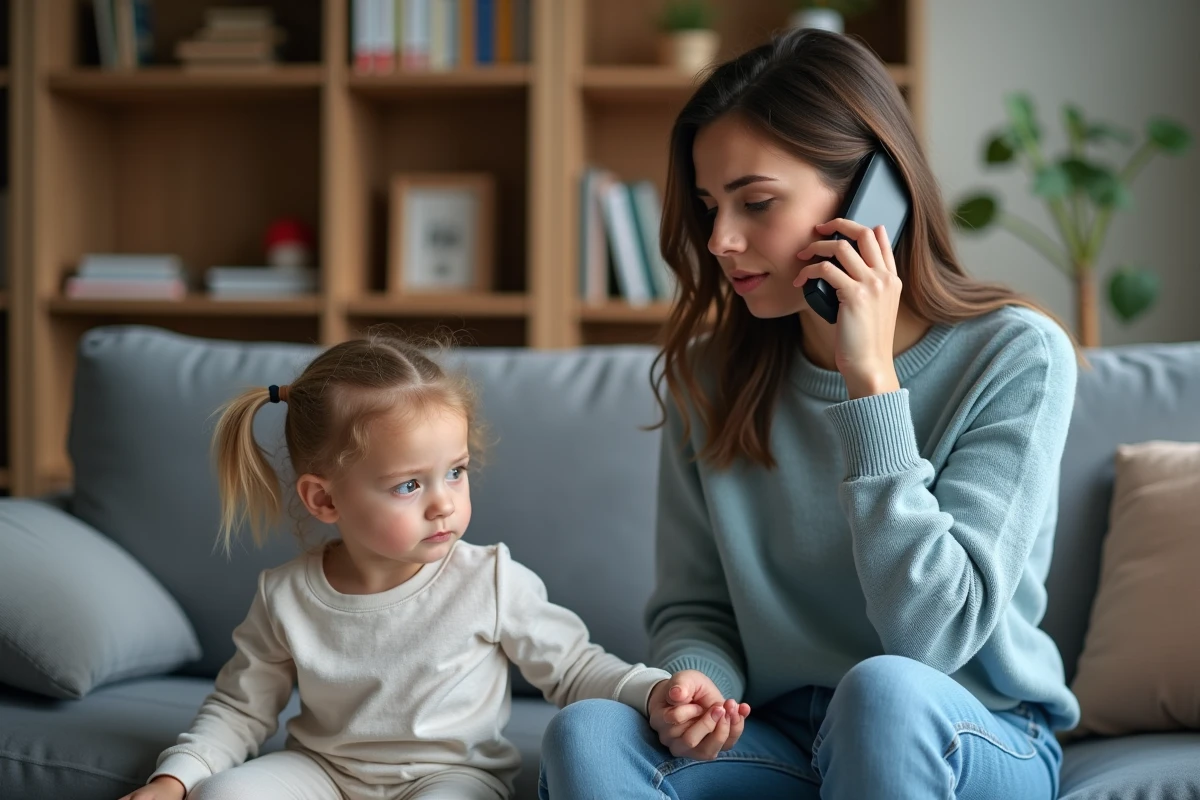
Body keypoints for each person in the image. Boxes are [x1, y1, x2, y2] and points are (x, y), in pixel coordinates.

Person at [540, 27, 1080, 800]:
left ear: (873, 199)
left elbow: (934, 637)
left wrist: (870, 382)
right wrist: (698, 684)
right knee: (587, 732)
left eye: (757, 202)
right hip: (784, 737)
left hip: (973, 727)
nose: (723, 241)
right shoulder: (708, 375)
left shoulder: (1016, 356)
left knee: (884, 692)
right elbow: (696, 606)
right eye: (709, 206)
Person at [118, 332, 670, 800]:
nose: (444, 503)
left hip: (450, 777)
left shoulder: (491, 580)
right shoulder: (285, 596)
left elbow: (575, 669)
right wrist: (176, 779)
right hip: (324, 774)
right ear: (325, 501)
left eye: (455, 472)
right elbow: (241, 710)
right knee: (223, 796)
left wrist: (653, 692)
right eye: (409, 484)